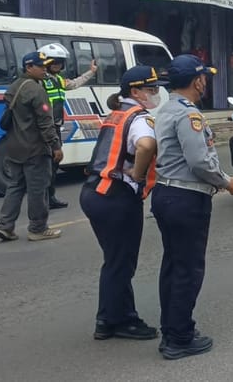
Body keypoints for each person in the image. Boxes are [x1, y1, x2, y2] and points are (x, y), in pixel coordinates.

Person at [151, 55, 233, 360]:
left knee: (173, 266)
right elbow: (200, 161)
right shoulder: (190, 116)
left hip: (166, 193)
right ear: (197, 80)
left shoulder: (165, 108)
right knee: (187, 270)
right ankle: (179, 338)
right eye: (205, 78)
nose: (206, 83)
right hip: (186, 199)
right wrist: (227, 181)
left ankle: (172, 329)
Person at [80, 66, 165, 343]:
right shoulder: (139, 117)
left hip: (95, 192)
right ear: (135, 92)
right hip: (115, 196)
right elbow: (145, 146)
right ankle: (113, 321)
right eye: (151, 89)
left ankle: (115, 317)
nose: (155, 93)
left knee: (116, 261)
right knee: (120, 263)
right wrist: (139, 174)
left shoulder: (116, 114)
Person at [0, 51, 63, 242]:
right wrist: (55, 146)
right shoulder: (36, 90)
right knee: (38, 189)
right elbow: (45, 122)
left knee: (15, 186)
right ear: (29, 67)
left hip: (14, 147)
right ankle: (38, 228)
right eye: (40, 66)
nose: (44, 70)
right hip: (35, 149)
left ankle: (5, 226)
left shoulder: (14, 87)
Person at [37, 43, 98, 210]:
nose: (57, 65)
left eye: (60, 63)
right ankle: (42, 200)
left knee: (53, 165)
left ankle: (49, 197)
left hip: (55, 127)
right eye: (54, 62)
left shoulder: (58, 79)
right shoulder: (41, 81)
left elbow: (74, 84)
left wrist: (91, 72)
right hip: (44, 128)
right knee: (45, 166)